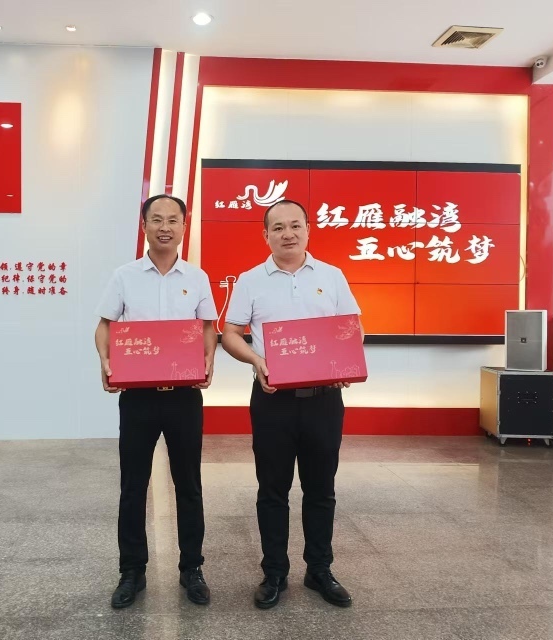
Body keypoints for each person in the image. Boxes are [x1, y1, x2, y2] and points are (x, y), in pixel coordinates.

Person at [220, 199, 362, 609]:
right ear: (266, 234)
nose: (288, 234)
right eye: (278, 227)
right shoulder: (250, 280)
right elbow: (230, 333)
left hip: (324, 400)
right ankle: (274, 573)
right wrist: (256, 361)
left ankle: (319, 570)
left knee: (321, 488)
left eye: (295, 225)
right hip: (272, 400)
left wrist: (346, 360)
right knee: (272, 489)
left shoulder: (332, 276)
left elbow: (352, 327)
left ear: (308, 230)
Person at [94, 194, 218, 609]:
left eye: (173, 220)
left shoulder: (197, 277)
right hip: (138, 398)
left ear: (184, 226)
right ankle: (132, 571)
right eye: (157, 219)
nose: (165, 227)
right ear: (144, 225)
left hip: (184, 397)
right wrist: (105, 360)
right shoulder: (125, 276)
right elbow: (105, 325)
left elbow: (207, 327)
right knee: (133, 485)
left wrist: (209, 358)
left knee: (189, 485)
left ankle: (192, 568)